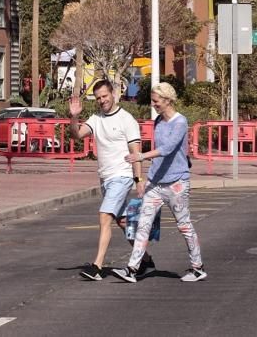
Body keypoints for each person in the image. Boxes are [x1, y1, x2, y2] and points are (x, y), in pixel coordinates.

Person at [111, 83, 206, 283]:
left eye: (156, 101)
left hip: (177, 182)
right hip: (155, 183)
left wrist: (141, 156)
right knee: (142, 225)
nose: (153, 105)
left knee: (184, 225)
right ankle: (132, 268)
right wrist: (145, 178)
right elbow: (159, 152)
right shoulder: (158, 122)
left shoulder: (180, 122)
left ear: (167, 100)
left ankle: (197, 267)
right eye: (153, 101)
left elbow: (169, 149)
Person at [69, 79, 154, 281]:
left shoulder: (127, 120)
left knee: (104, 216)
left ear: (114, 94)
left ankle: (97, 266)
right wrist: (74, 117)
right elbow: (77, 135)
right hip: (106, 177)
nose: (102, 101)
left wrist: (139, 178)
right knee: (122, 221)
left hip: (122, 176)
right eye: (98, 98)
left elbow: (135, 152)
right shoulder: (96, 118)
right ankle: (145, 259)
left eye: (105, 96)